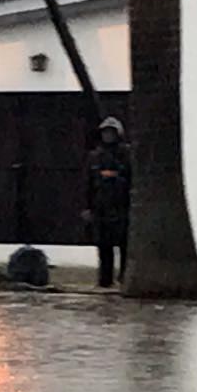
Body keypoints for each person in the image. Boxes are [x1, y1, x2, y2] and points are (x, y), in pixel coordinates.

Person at [84, 117, 132, 288]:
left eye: (111, 132)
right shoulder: (94, 156)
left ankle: (125, 279)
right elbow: (87, 184)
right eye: (105, 133)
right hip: (100, 207)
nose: (108, 136)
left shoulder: (127, 154)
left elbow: (132, 180)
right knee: (104, 246)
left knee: (124, 245)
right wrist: (87, 207)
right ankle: (105, 281)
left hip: (122, 207)